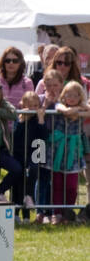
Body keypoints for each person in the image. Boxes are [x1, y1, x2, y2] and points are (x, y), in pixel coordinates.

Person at [48, 79, 90, 223]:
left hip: (74, 151)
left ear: (80, 97)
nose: (72, 98)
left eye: (75, 96)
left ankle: (68, 212)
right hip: (58, 150)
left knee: (72, 185)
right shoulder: (59, 105)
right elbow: (64, 110)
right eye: (69, 95)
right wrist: (76, 110)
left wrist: (78, 109)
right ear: (64, 96)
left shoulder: (83, 108)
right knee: (57, 184)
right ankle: (57, 213)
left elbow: (88, 110)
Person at [13, 91, 48, 220]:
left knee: (32, 174)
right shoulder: (20, 118)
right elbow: (16, 136)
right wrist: (22, 121)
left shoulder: (39, 118)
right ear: (23, 105)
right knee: (18, 182)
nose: (33, 108)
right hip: (20, 154)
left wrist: (41, 120)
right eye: (29, 105)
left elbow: (44, 136)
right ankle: (17, 213)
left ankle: (28, 198)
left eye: (35, 105)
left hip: (36, 153)